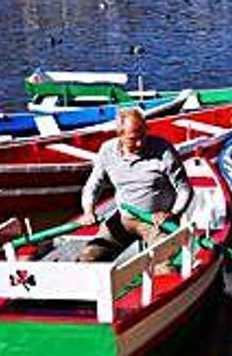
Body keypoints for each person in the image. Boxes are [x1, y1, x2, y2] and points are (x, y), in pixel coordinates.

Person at [78, 108, 193, 271]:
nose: (140, 143)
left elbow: (184, 189)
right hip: (124, 218)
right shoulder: (107, 151)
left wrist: (173, 213)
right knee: (88, 257)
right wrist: (88, 211)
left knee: (166, 269)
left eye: (143, 136)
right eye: (133, 139)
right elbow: (92, 186)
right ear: (120, 135)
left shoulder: (164, 150)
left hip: (157, 222)